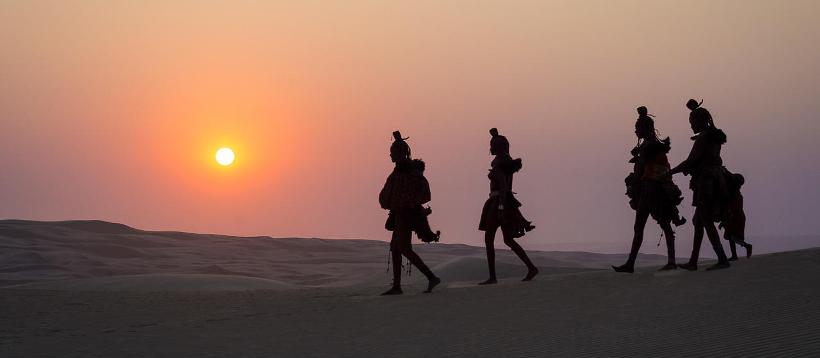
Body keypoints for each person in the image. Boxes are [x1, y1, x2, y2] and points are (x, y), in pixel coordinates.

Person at [613, 106, 687, 273]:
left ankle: (669, 261)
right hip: (649, 190)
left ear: (644, 128)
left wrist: (633, 179)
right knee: (643, 227)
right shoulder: (652, 144)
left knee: (661, 225)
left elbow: (641, 169)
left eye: (637, 128)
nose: (635, 131)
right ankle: (631, 263)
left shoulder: (649, 146)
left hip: (652, 190)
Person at [670, 99, 732, 271]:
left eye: (692, 122)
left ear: (699, 121)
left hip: (706, 182)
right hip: (714, 179)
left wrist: (670, 172)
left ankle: (722, 258)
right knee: (698, 221)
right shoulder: (713, 137)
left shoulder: (703, 139)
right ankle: (693, 261)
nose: (691, 126)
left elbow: (690, 161)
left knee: (705, 219)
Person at [378, 131, 442, 295]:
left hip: (406, 214)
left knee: (404, 248)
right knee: (396, 248)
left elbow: (423, 193)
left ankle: (431, 277)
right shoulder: (399, 171)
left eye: (393, 152)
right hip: (398, 213)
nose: (390, 155)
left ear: (400, 153)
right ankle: (397, 285)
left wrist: (408, 203)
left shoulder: (411, 173)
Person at [478, 128, 538, 284]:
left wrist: (500, 208)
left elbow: (503, 186)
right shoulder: (507, 162)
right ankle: (531, 267)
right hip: (505, 203)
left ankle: (493, 277)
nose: (490, 148)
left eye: (492, 145)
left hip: (498, 203)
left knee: (489, 239)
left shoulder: (499, 164)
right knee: (508, 240)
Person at [721, 173, 753, 260]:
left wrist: (724, 220)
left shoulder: (734, 195)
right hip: (736, 216)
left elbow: (732, 208)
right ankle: (734, 255)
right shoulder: (737, 194)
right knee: (731, 237)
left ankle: (746, 246)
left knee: (732, 237)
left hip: (735, 217)